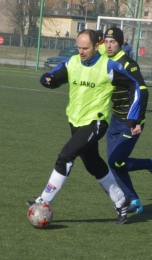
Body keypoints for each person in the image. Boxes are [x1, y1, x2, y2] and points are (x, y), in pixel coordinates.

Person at [26, 29, 141, 224]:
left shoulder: (108, 66)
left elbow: (134, 86)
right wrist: (47, 80)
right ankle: (121, 202)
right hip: (75, 121)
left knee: (65, 156)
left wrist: (133, 116)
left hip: (96, 122)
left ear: (97, 46)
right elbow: (55, 77)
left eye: (85, 48)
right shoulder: (72, 62)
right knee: (93, 163)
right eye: (79, 47)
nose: (81, 51)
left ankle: (42, 200)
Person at [104, 27, 152, 214]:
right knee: (114, 162)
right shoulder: (106, 61)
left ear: (121, 43)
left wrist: (137, 120)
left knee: (116, 161)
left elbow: (143, 91)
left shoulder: (128, 64)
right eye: (106, 42)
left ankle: (149, 164)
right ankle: (135, 202)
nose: (109, 45)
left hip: (130, 121)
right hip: (115, 119)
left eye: (113, 42)